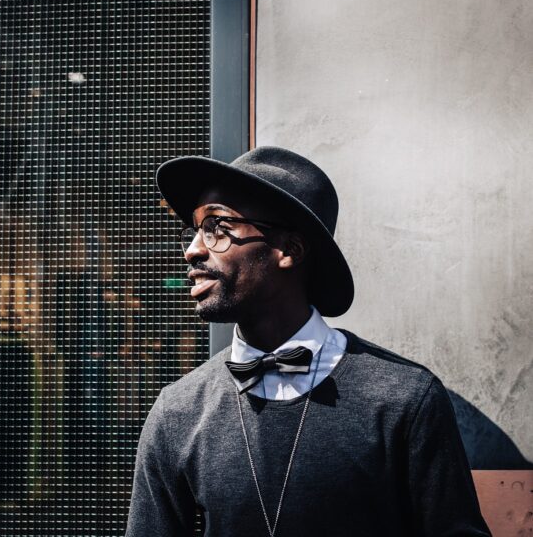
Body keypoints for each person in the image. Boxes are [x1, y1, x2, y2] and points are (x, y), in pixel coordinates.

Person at [126, 146, 490, 537]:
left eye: (217, 227)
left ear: (289, 251)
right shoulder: (177, 411)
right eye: (194, 230)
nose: (194, 249)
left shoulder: (404, 399)